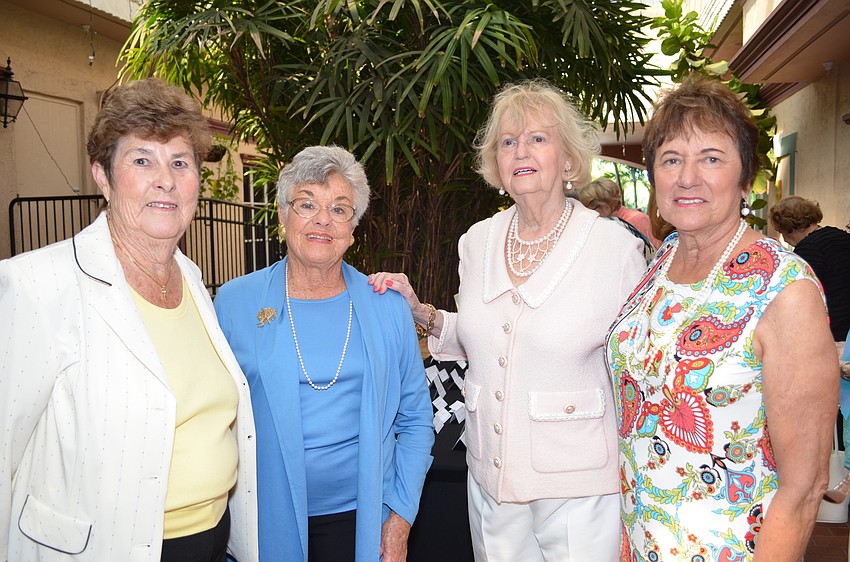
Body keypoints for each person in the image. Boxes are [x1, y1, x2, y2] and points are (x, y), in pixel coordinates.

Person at [370, 79, 646, 561]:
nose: (522, 149)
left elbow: (638, 370)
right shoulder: (476, 240)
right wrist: (424, 314)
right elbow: (488, 339)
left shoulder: (615, 249)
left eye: (539, 137)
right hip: (490, 477)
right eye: (508, 141)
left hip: (578, 490)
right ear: (495, 160)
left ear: (569, 157)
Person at [0, 78, 258, 561]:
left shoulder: (194, 280)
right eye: (142, 160)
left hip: (211, 543)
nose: (165, 179)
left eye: (180, 162)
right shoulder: (37, 285)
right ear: (102, 175)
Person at [606, 74, 837, 561]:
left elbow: (804, 488)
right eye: (672, 160)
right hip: (640, 543)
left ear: (744, 174)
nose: (688, 177)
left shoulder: (784, 289)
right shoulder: (661, 262)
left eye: (711, 158)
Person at [213, 145, 434, 562]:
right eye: (306, 204)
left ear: (354, 227)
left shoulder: (385, 306)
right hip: (262, 518)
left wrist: (400, 519)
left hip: (365, 517)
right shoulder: (235, 303)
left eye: (339, 209)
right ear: (282, 215)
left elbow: (417, 419)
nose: (322, 220)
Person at [768, 196, 850, 343]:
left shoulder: (808, 251)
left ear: (788, 227)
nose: (784, 239)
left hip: (833, 330)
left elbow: (797, 296)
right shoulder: (840, 236)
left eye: (781, 231)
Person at [579, 176, 658, 262]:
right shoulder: (614, 224)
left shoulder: (635, 220)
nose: (590, 214)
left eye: (590, 209)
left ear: (605, 207)